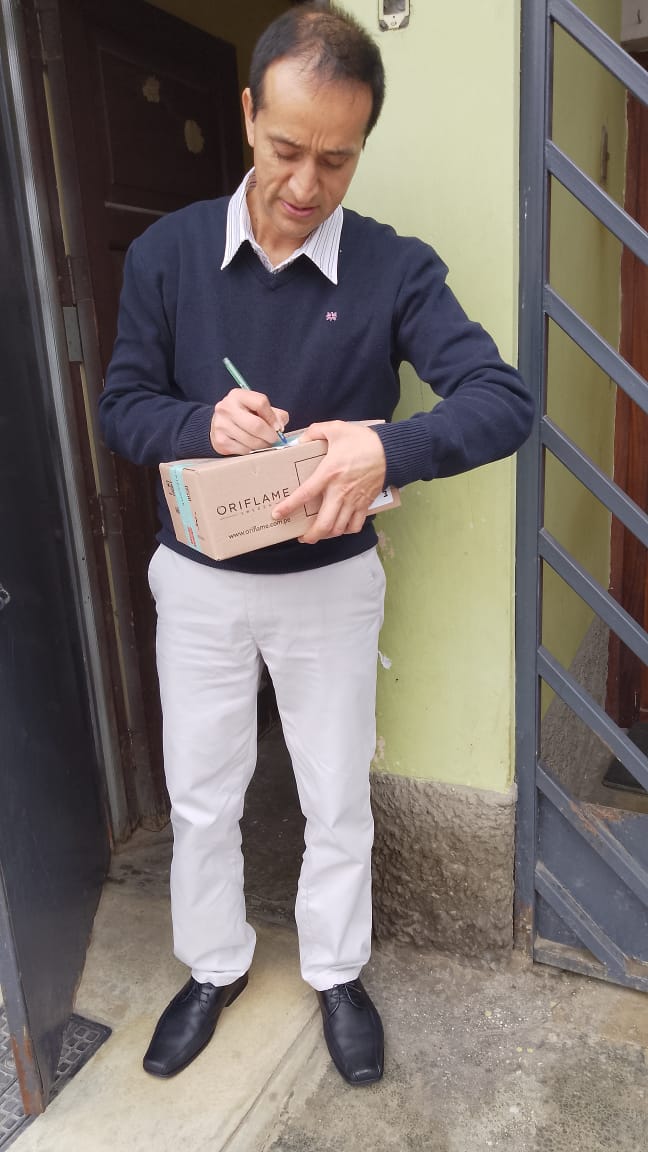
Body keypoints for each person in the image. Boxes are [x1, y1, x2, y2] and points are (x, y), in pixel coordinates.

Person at [98, 1, 533, 1087]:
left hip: (329, 584)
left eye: (336, 160)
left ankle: (338, 970)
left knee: (335, 793)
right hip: (199, 578)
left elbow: (502, 400)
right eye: (287, 148)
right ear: (249, 113)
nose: (305, 183)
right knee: (203, 790)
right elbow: (123, 408)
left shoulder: (395, 269)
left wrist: (389, 448)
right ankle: (213, 966)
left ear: (362, 146)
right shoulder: (167, 254)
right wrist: (200, 424)